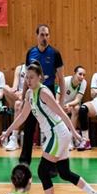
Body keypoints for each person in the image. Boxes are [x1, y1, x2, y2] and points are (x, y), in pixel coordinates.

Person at [0, 63, 97, 194]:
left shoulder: (44, 92)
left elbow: (61, 113)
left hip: (57, 133)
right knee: (64, 172)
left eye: (32, 77)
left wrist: (74, 132)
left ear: (40, 77)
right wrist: (7, 132)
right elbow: (22, 116)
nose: (28, 80)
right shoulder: (29, 94)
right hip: (56, 135)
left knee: (42, 171)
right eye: (26, 77)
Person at [19, 24, 66, 166]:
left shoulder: (55, 53)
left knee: (52, 129)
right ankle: (24, 162)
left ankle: (52, 162)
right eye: (42, 35)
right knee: (29, 127)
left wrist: (61, 101)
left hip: (48, 91)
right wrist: (23, 98)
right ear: (37, 36)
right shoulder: (30, 53)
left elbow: (61, 79)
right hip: (33, 92)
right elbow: (27, 77)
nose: (44, 37)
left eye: (47, 35)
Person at [56, 65, 87, 149]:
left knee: (76, 108)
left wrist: (69, 105)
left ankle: (71, 138)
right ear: (74, 74)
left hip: (72, 105)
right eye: (80, 74)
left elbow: (78, 99)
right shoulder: (65, 81)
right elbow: (57, 98)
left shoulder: (83, 83)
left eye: (84, 75)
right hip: (61, 105)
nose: (82, 77)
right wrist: (61, 106)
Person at [3, 63, 27, 151]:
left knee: (18, 104)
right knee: (5, 87)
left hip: (28, 97)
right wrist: (16, 93)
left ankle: (14, 138)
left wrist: (23, 95)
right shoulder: (19, 68)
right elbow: (14, 87)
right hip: (18, 96)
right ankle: (17, 102)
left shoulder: (35, 67)